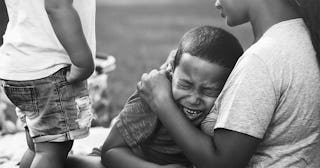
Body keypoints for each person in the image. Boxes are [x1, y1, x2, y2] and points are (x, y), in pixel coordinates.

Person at [137, 0, 320, 167]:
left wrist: (161, 100)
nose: (216, 2)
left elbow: (222, 164)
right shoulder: (302, 39)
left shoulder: (262, 58)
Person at [100, 25, 243, 168]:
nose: (193, 99)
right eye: (185, 85)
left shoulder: (226, 113)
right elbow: (110, 151)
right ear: (172, 71)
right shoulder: (150, 99)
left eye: (208, 91)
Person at [0, 0, 96, 168]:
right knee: (52, 150)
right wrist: (82, 61)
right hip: (50, 69)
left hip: (19, 63)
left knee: (38, 147)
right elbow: (56, 5)